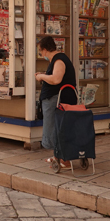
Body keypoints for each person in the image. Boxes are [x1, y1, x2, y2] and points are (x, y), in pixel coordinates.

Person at [35, 36, 77, 169]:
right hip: (57, 99)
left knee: (54, 127)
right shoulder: (58, 59)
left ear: (46, 49)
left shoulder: (59, 60)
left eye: (41, 52)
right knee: (57, 127)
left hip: (57, 100)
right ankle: (58, 156)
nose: (41, 55)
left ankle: (64, 159)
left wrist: (41, 77)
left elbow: (56, 79)